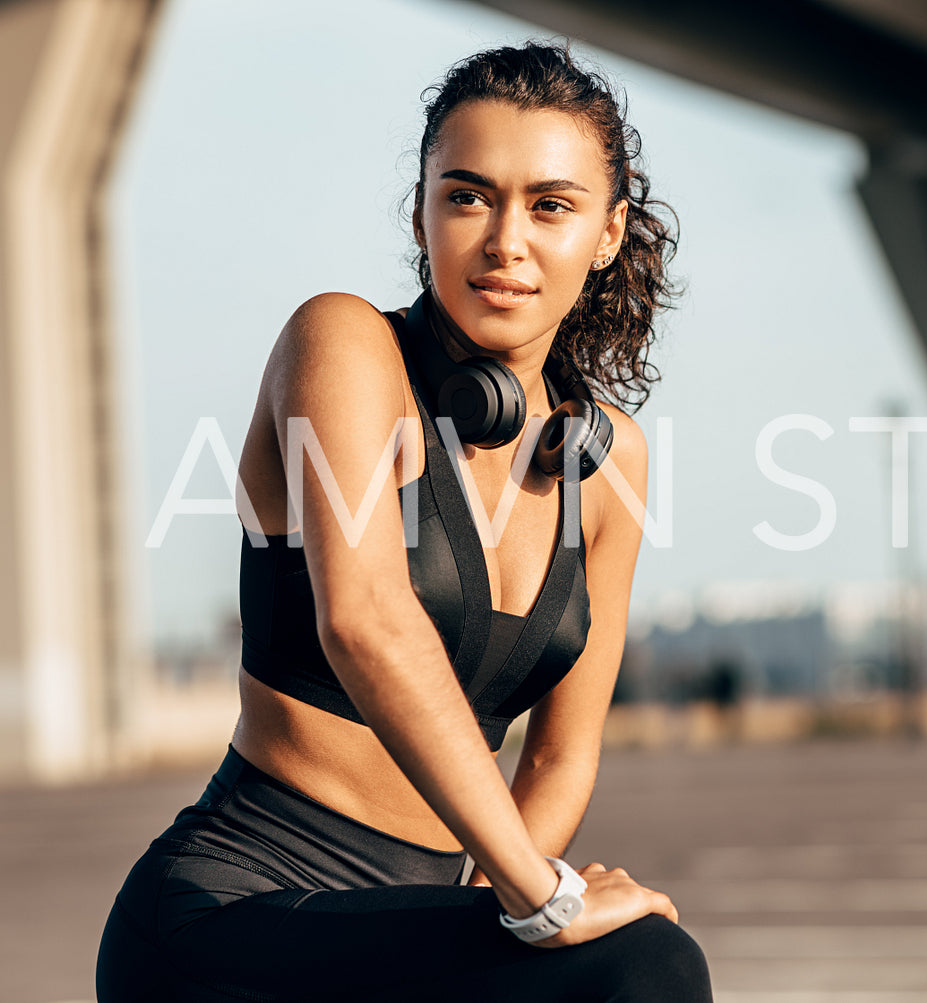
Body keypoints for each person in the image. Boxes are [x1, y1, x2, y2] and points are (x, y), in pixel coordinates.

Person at [96, 40, 714, 1002]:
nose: (505, 239)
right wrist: (540, 899)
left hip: (409, 928)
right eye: (468, 195)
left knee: (623, 956)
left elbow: (560, 752)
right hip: (230, 914)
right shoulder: (344, 345)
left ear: (606, 231)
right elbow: (366, 621)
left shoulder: (610, 460)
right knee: (645, 971)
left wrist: (497, 908)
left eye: (550, 205)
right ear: (421, 210)